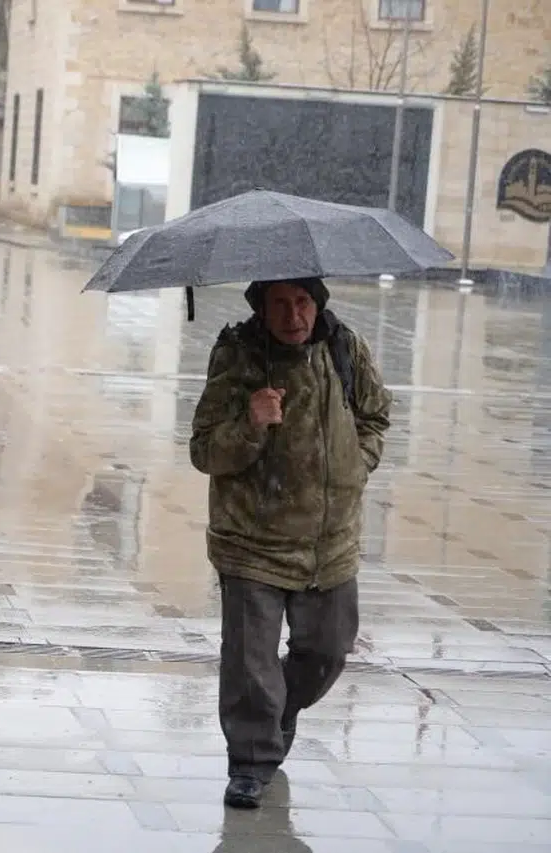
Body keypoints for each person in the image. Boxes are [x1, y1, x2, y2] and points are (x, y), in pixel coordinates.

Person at [189, 277, 393, 810]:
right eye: (279, 304)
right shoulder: (237, 357)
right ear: (261, 308)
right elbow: (205, 451)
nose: (293, 315)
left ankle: (277, 711)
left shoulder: (346, 349)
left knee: (328, 651)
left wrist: (356, 462)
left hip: (330, 542)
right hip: (252, 543)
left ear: (317, 303)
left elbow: (375, 416)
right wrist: (251, 424)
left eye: (302, 302)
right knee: (250, 663)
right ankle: (251, 763)